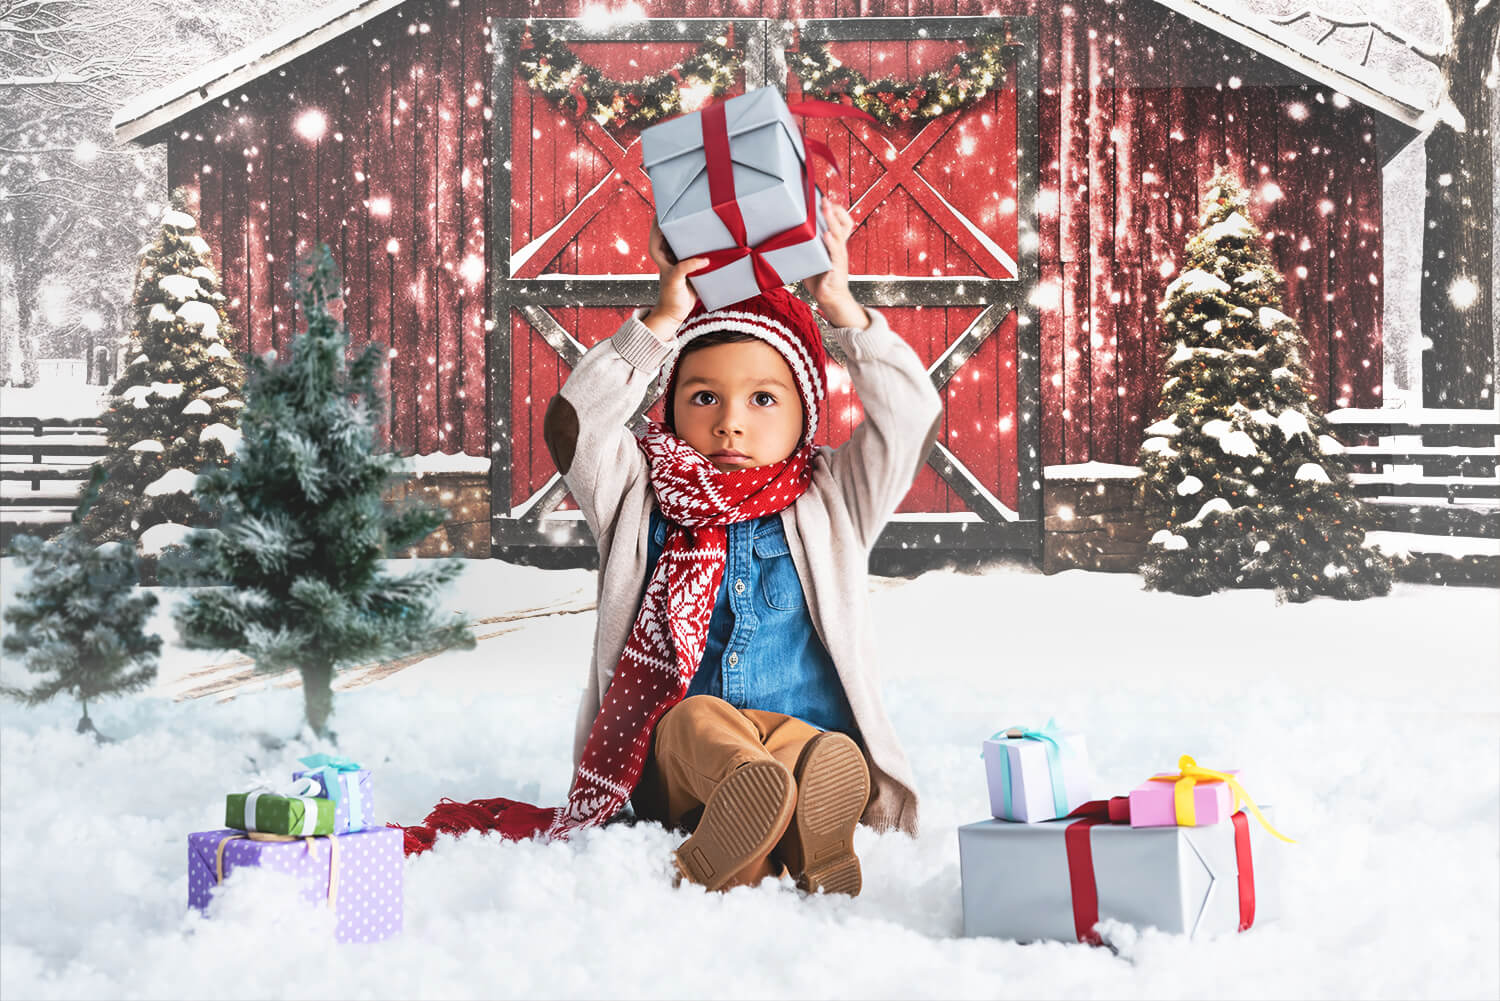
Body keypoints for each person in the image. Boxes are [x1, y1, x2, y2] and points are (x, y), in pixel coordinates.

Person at [539, 192, 944, 894]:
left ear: (805, 415)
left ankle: (786, 831)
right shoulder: (638, 492)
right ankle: (754, 804)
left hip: (798, 738)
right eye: (703, 397)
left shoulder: (834, 499)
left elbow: (911, 414)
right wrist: (661, 320)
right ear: (668, 406)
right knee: (700, 719)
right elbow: (574, 424)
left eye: (763, 399)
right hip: (674, 767)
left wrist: (840, 306)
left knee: (810, 748)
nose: (731, 423)